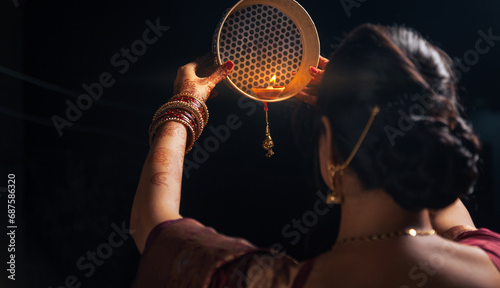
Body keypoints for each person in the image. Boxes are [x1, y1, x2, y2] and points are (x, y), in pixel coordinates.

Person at [130, 24, 500, 287]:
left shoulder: (271, 282)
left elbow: (153, 222)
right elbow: (450, 214)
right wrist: (377, 112)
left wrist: (185, 105)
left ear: (330, 147)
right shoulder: (490, 259)